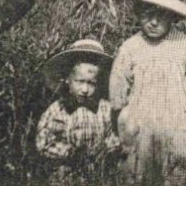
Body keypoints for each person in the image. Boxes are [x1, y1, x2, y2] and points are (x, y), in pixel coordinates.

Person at [109, 0, 186, 185]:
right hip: (141, 135)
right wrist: (121, 122)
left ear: (173, 16)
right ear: (137, 12)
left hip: (180, 134)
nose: (153, 22)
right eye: (147, 13)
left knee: (177, 181)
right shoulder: (130, 48)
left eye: (161, 14)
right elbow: (117, 92)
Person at [34, 37, 121, 183]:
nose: (85, 89)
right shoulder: (58, 110)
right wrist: (70, 152)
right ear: (67, 80)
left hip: (98, 171)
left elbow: (116, 135)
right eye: (80, 82)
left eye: (91, 83)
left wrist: (103, 148)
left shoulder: (104, 108)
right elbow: (43, 142)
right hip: (66, 173)